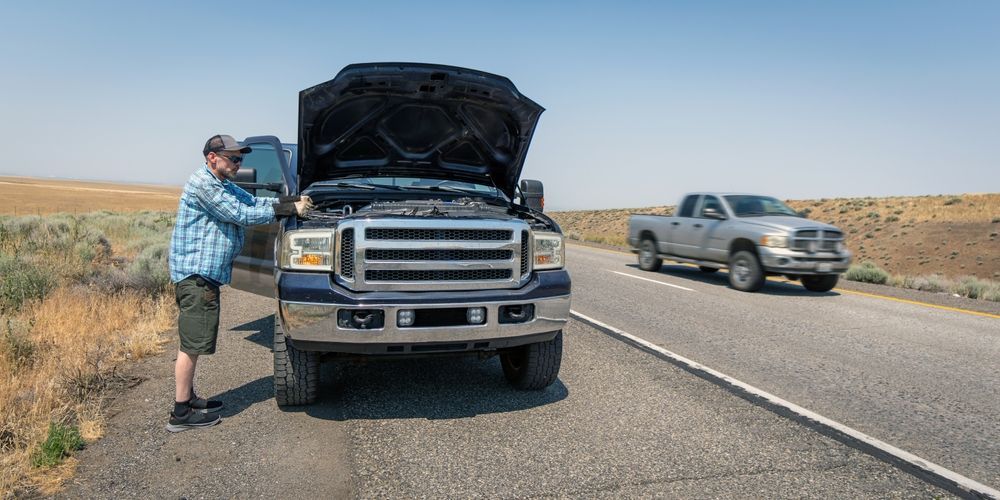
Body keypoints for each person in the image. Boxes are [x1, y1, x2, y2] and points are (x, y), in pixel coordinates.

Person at [165, 134, 312, 432]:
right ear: (212, 158)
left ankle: (190, 398)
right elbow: (240, 214)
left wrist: (288, 201)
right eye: (233, 158)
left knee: (195, 340)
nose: (238, 163)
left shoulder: (222, 184)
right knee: (192, 344)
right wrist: (287, 210)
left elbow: (252, 200)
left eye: (240, 159)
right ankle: (180, 413)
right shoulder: (204, 184)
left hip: (203, 274)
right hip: (196, 275)